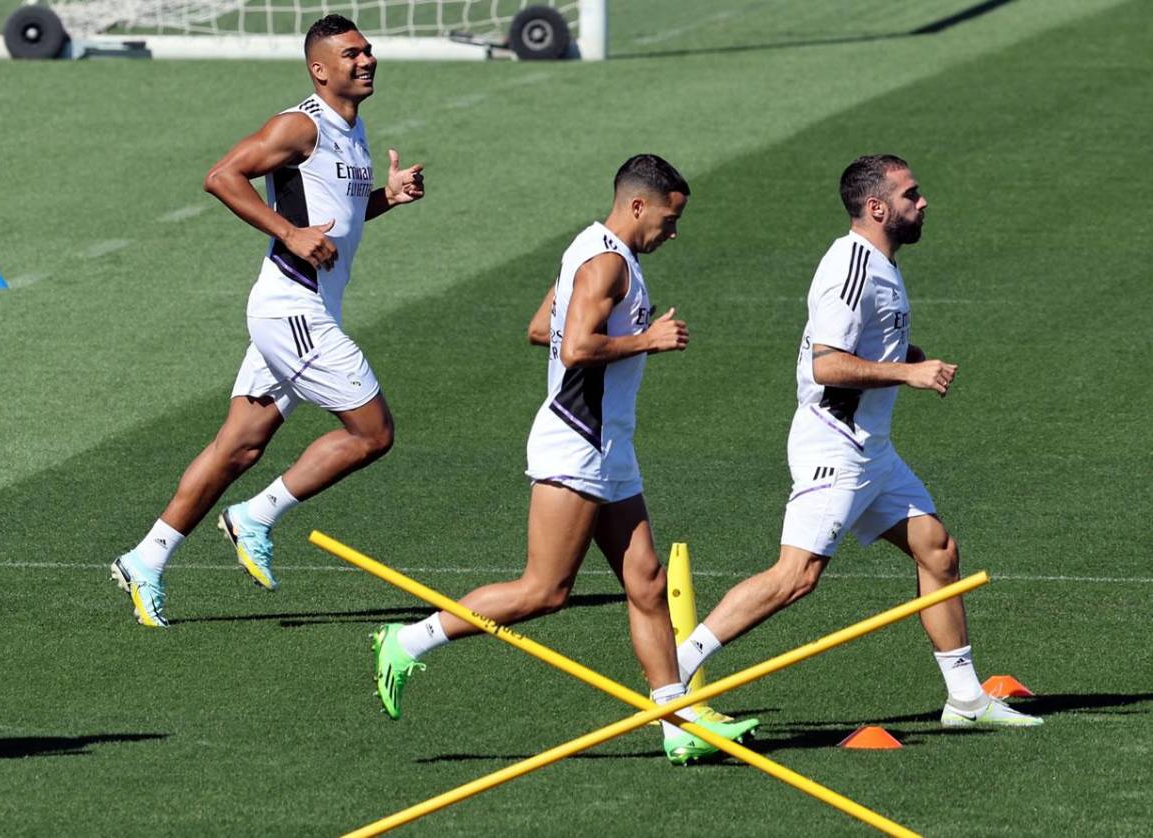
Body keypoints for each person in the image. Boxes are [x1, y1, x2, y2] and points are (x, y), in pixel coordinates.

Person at [370, 155, 760, 766]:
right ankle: (408, 641)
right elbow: (574, 346)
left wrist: (618, 338)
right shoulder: (607, 262)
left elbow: (537, 329)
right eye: (669, 218)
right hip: (576, 441)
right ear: (637, 206)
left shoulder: (589, 248)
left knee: (648, 583)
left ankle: (676, 721)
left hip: (610, 445)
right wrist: (646, 340)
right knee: (544, 591)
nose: (673, 232)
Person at [673, 155, 1041, 727]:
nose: (923, 203)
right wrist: (908, 374)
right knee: (796, 577)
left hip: (873, 449)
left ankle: (965, 700)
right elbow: (826, 366)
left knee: (937, 549)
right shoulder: (851, 267)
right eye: (911, 195)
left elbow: (865, 344)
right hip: (835, 445)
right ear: (877, 207)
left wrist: (906, 356)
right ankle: (672, 680)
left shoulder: (881, 264)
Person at [110, 14, 424, 628]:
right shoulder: (298, 125)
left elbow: (332, 223)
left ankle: (144, 560)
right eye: (351, 55)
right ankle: (255, 516)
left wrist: (388, 197)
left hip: (300, 308)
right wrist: (287, 232)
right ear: (320, 68)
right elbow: (222, 176)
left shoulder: (350, 131)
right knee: (372, 432)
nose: (366, 61)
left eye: (368, 51)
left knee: (238, 446)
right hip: (292, 310)